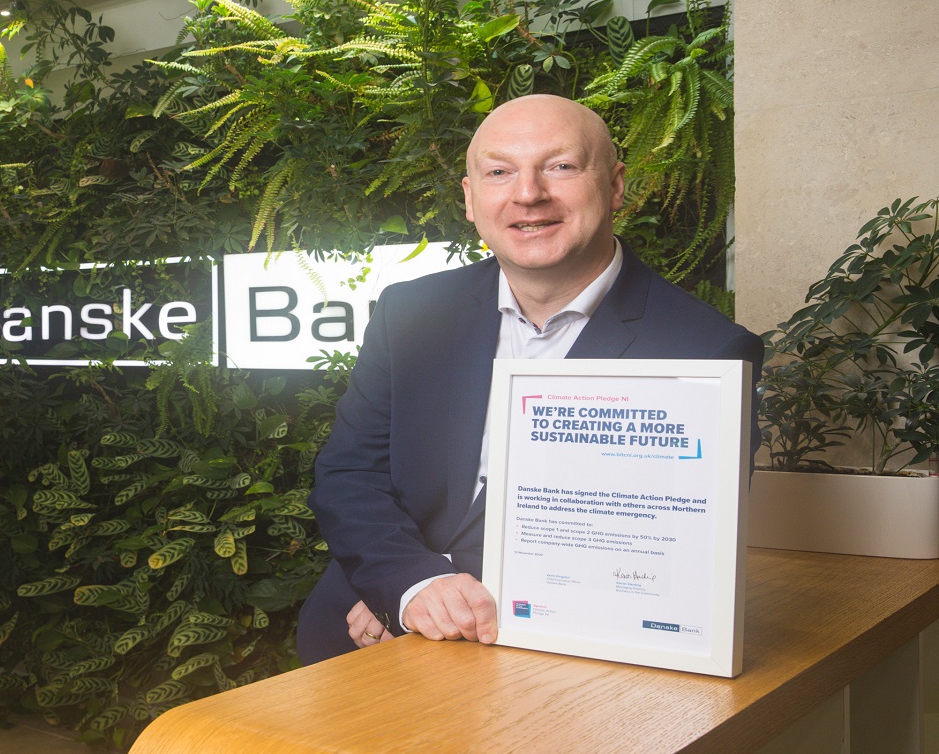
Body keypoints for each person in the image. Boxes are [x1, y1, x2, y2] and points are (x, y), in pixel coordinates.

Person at [297, 94, 763, 664]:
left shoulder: (706, 352)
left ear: (615, 187)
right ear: (470, 200)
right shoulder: (410, 314)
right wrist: (409, 585)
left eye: (561, 167)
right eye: (499, 172)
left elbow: (665, 543)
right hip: (358, 627)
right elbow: (348, 471)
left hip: (546, 651)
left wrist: (440, 602)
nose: (527, 194)